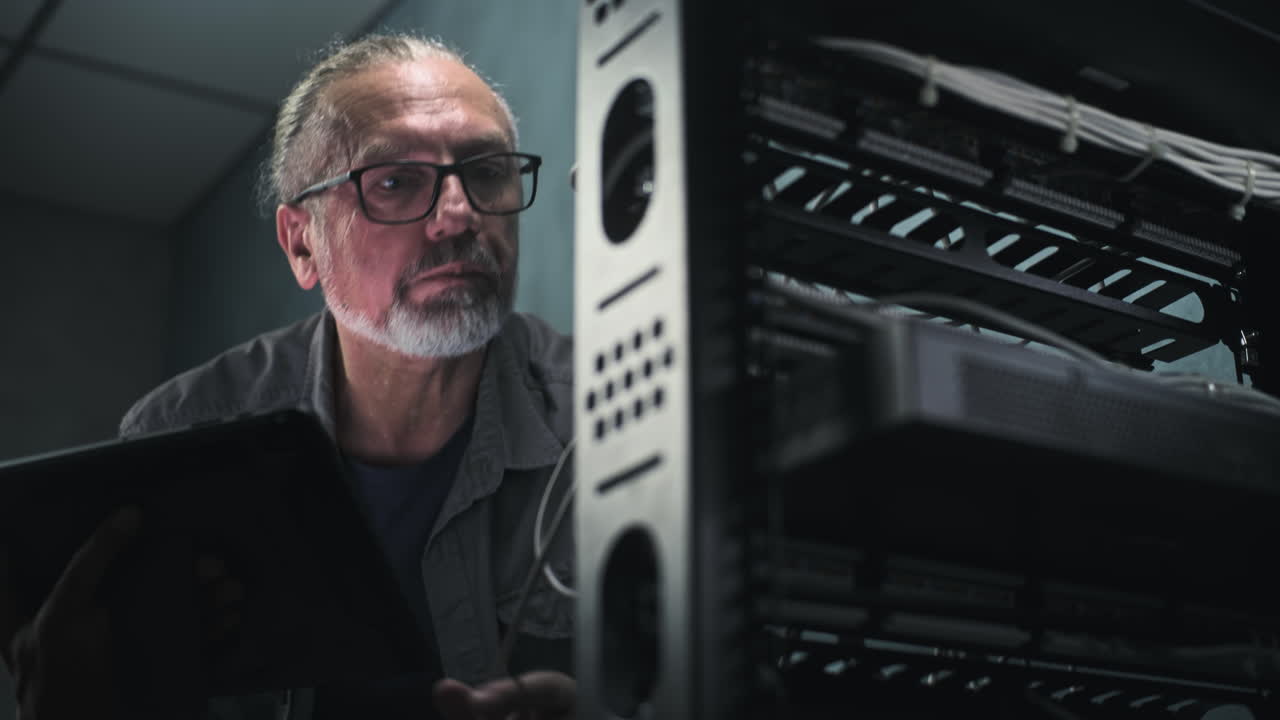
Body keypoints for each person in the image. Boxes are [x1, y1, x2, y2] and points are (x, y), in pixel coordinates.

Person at [0, 32, 576, 720]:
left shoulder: (609, 423)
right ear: (304, 243)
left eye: (486, 170)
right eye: (394, 181)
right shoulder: (178, 436)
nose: (461, 213)